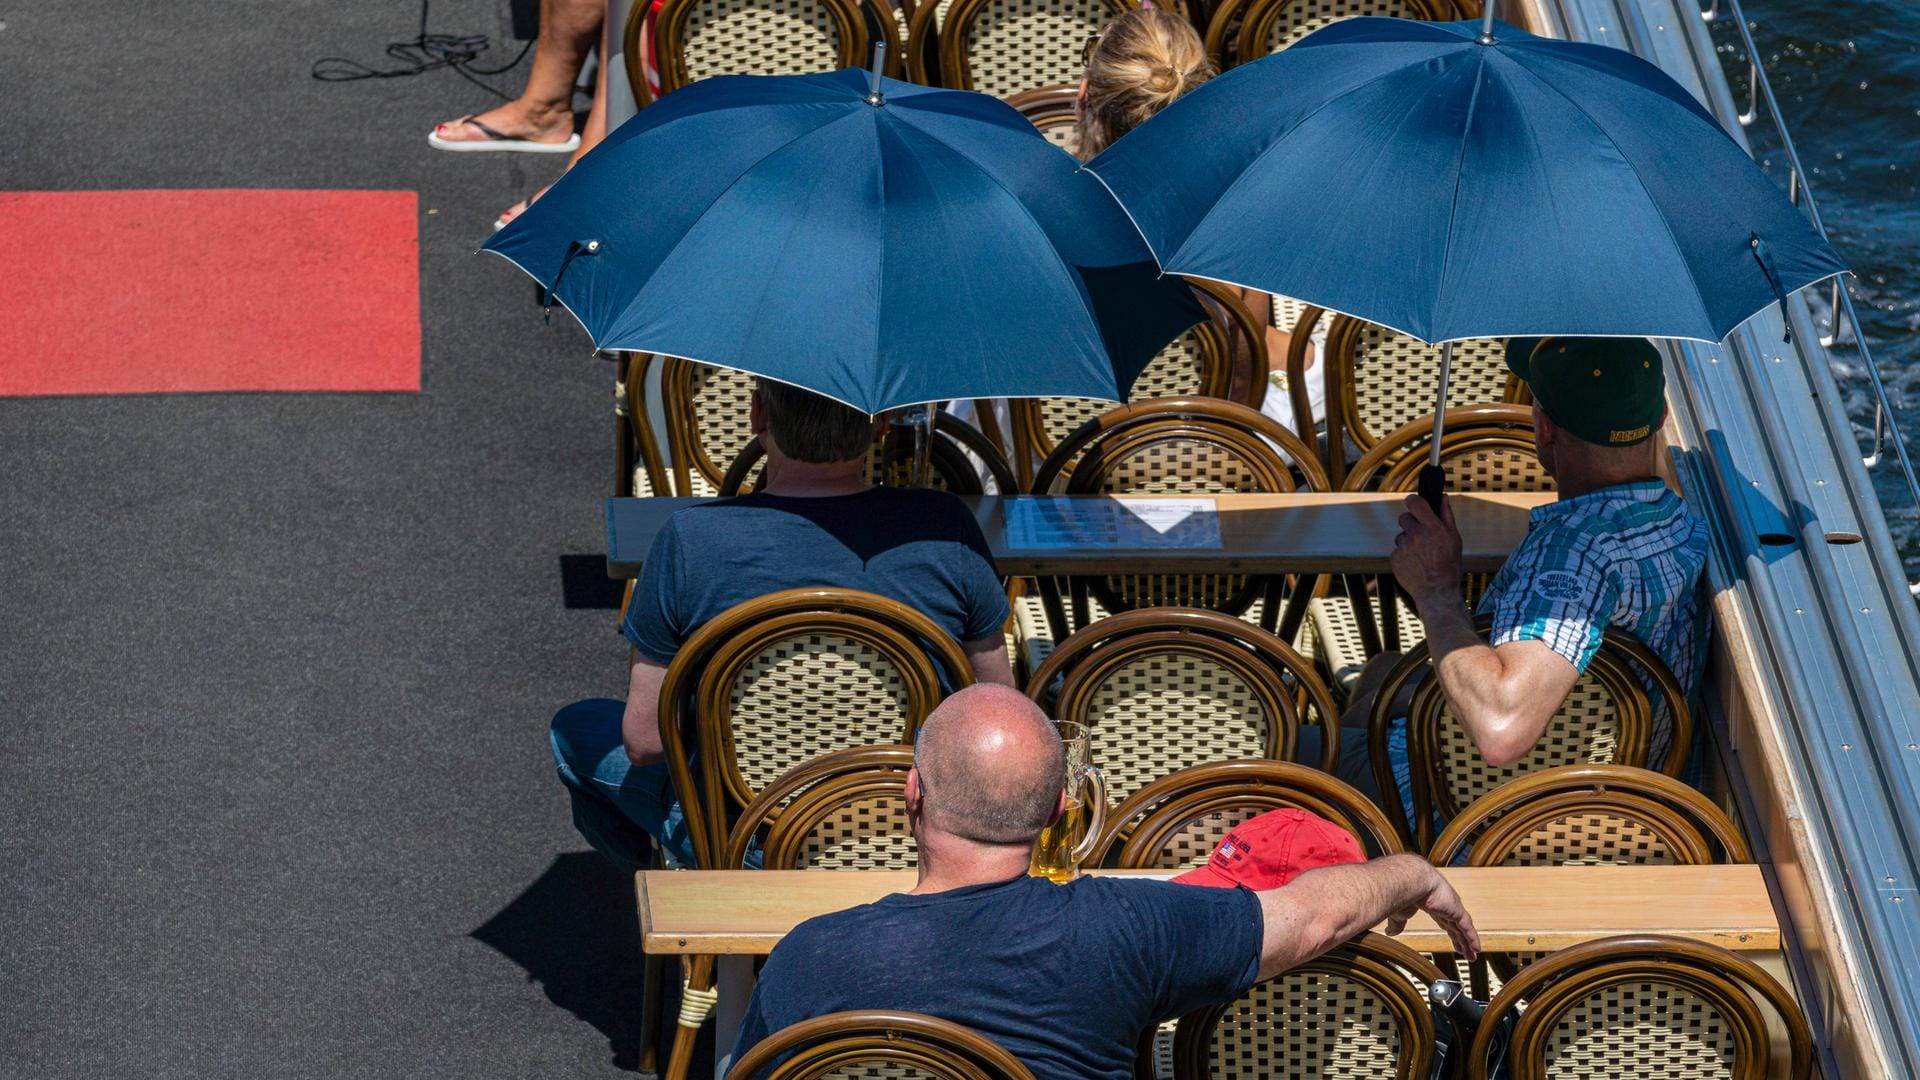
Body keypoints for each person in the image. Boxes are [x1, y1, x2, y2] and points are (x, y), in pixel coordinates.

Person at [730, 685, 1480, 1080]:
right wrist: (1410, 870)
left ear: (912, 793)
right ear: (1062, 808)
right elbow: (1313, 918)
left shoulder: (806, 956)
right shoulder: (1125, 926)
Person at [550, 380, 1017, 870]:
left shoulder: (689, 539)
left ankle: (689, 888)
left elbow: (646, 742)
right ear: (879, 424)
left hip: (745, 837)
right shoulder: (947, 525)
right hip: (908, 830)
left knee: (574, 729)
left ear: (756, 416)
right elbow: (1000, 708)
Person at [1367, 336, 1710, 796]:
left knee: (1314, 742)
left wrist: (1436, 591)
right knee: (1377, 679)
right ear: (1661, 417)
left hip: (1471, 814)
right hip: (1617, 808)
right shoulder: (1682, 523)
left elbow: (1501, 729)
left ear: (1544, 428)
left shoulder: (1575, 552)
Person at [1074, 7, 1325, 437]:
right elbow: (1243, 393)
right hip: (1210, 456)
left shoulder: (1032, 232)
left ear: (1083, 97)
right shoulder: (1232, 240)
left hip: (1062, 463)